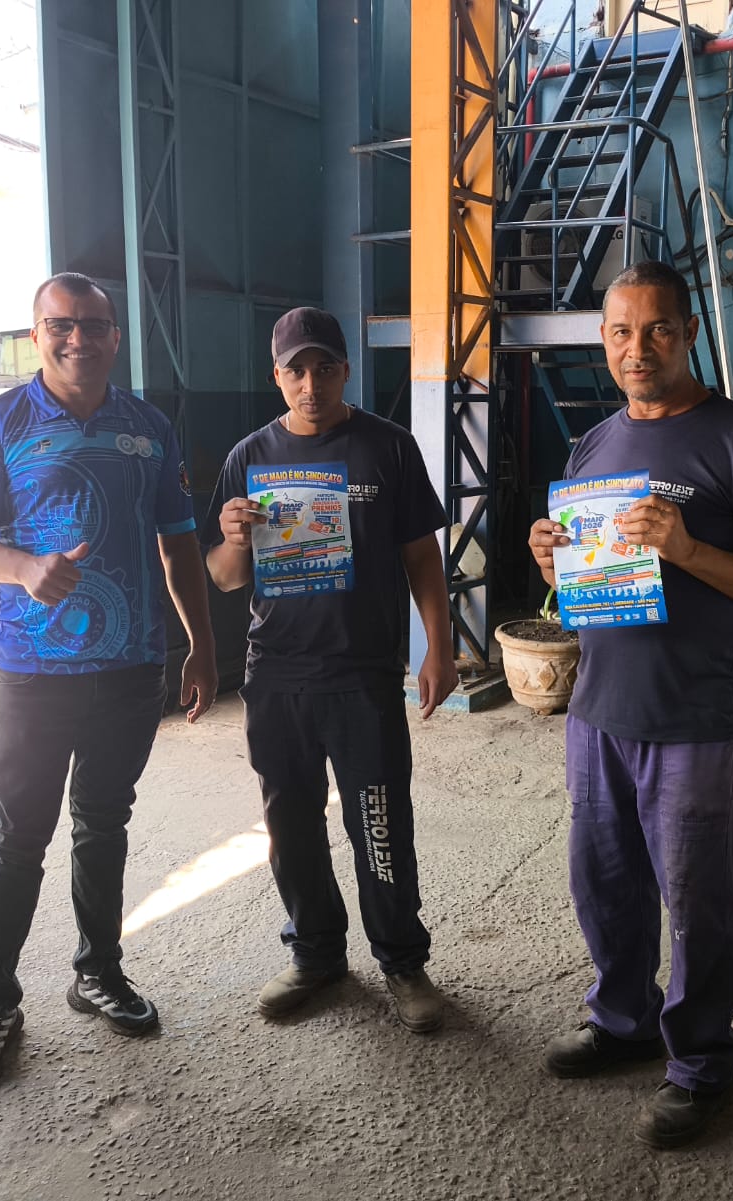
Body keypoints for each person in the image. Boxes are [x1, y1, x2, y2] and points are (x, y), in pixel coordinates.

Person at [528, 260, 733, 1148]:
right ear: (603, 339)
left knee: (701, 903)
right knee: (604, 885)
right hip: (599, 711)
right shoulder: (592, 446)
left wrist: (687, 550)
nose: (636, 348)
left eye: (656, 329)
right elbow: (586, 587)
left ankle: (701, 1065)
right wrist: (554, 561)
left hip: (694, 720)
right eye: (620, 331)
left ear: (688, 332)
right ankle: (623, 1022)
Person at [0, 271, 218, 1092]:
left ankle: (97, 971)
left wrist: (201, 645)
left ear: (114, 337)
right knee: (18, 835)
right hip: (34, 674)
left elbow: (178, 542)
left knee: (103, 824)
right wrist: (23, 567)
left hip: (131, 668)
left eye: (93, 326)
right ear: (37, 334)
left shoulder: (149, 428)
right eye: (61, 325)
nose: (78, 339)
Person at [204, 306, 456, 1033]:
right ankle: (316, 954)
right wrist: (233, 539)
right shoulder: (250, 456)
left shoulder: (388, 447)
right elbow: (223, 577)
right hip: (276, 674)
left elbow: (421, 557)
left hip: (363, 674)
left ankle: (402, 961)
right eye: (296, 371)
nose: (310, 384)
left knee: (379, 821)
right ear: (277, 376)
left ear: (346, 370)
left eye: (323, 368)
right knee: (291, 825)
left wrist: (437, 648)